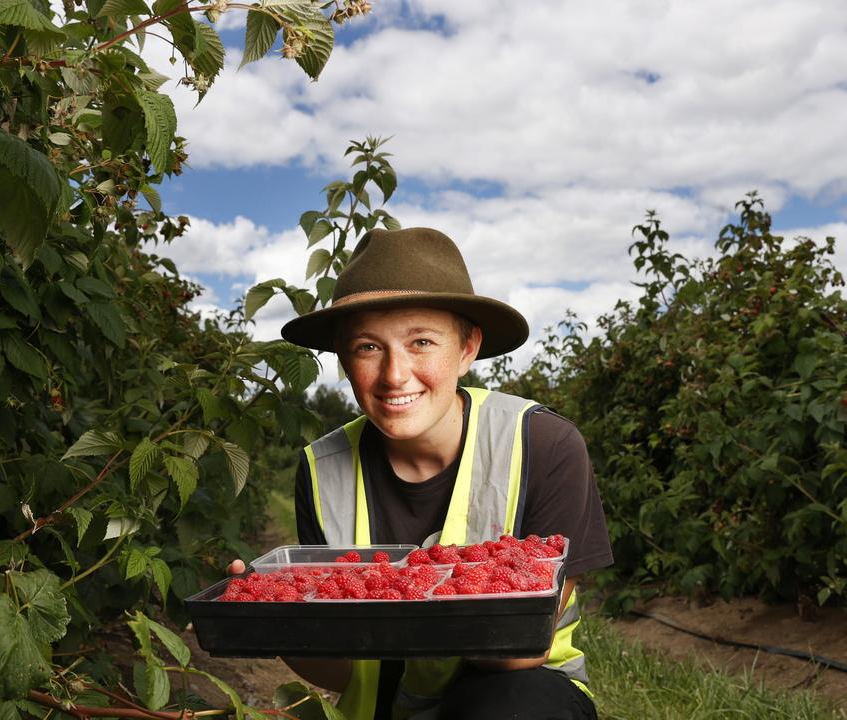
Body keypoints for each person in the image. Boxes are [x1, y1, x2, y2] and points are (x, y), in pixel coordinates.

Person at [230, 227, 612, 720]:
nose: (394, 375)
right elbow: (344, 672)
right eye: (368, 348)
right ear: (345, 360)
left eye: (422, 342)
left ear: (468, 347)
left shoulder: (543, 446)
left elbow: (522, 652)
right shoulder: (320, 470)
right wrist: (279, 623)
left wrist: (427, 597)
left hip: (520, 696)